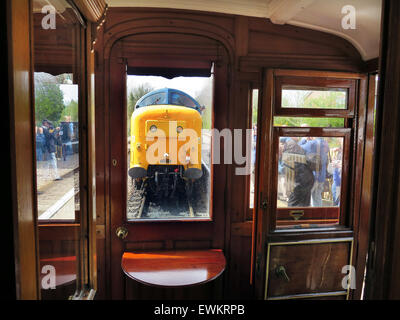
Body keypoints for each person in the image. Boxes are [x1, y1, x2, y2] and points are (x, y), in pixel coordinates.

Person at [281, 137, 315, 207]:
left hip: (300, 182)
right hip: (307, 180)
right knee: (304, 205)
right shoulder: (295, 148)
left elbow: (287, 169)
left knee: (293, 206)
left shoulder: (289, 150)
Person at [300, 137, 330, 207]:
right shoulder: (325, 143)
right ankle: (318, 215)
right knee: (317, 198)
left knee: (305, 198)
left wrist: (303, 140)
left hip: (312, 177)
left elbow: (299, 148)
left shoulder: (312, 143)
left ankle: (307, 216)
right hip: (321, 177)